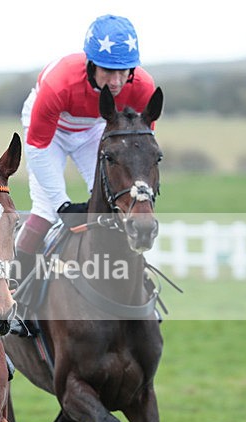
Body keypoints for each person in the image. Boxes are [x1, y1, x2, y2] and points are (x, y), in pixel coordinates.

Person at [15, 14, 157, 270]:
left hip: (94, 129)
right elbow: (38, 147)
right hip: (50, 133)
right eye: (107, 71)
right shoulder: (59, 84)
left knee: (115, 201)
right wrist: (63, 205)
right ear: (91, 64)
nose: (116, 82)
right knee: (47, 210)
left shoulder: (143, 88)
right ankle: (15, 281)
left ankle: (131, 276)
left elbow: (141, 151)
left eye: (123, 72)